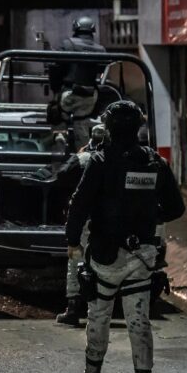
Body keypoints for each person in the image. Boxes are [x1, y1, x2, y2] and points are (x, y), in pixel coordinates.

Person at [66, 101, 185, 373]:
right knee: (139, 323)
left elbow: (79, 204)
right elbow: (176, 208)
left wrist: (71, 240)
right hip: (143, 258)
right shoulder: (153, 162)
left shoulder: (101, 161)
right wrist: (147, 216)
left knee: (99, 316)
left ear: (110, 127)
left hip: (106, 256)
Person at [23, 124, 108, 326]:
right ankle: (104, 309)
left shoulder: (84, 158)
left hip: (87, 220)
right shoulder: (123, 158)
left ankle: (73, 308)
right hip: (115, 222)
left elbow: (61, 175)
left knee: (76, 261)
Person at [49, 16, 107, 148]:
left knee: (57, 113)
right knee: (81, 124)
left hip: (68, 94)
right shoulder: (100, 49)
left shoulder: (67, 44)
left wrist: (55, 88)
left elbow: (55, 67)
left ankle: (60, 137)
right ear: (92, 30)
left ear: (75, 28)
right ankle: (83, 154)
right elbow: (101, 69)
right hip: (89, 96)